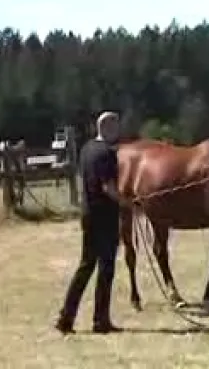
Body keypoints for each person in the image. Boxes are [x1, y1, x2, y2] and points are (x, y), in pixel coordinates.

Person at [55, 111, 131, 334]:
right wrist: (128, 204)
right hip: (105, 218)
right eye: (116, 127)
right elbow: (108, 188)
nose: (119, 132)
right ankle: (100, 320)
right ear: (107, 127)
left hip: (88, 215)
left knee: (86, 266)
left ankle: (65, 318)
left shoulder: (87, 149)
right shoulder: (106, 154)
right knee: (106, 269)